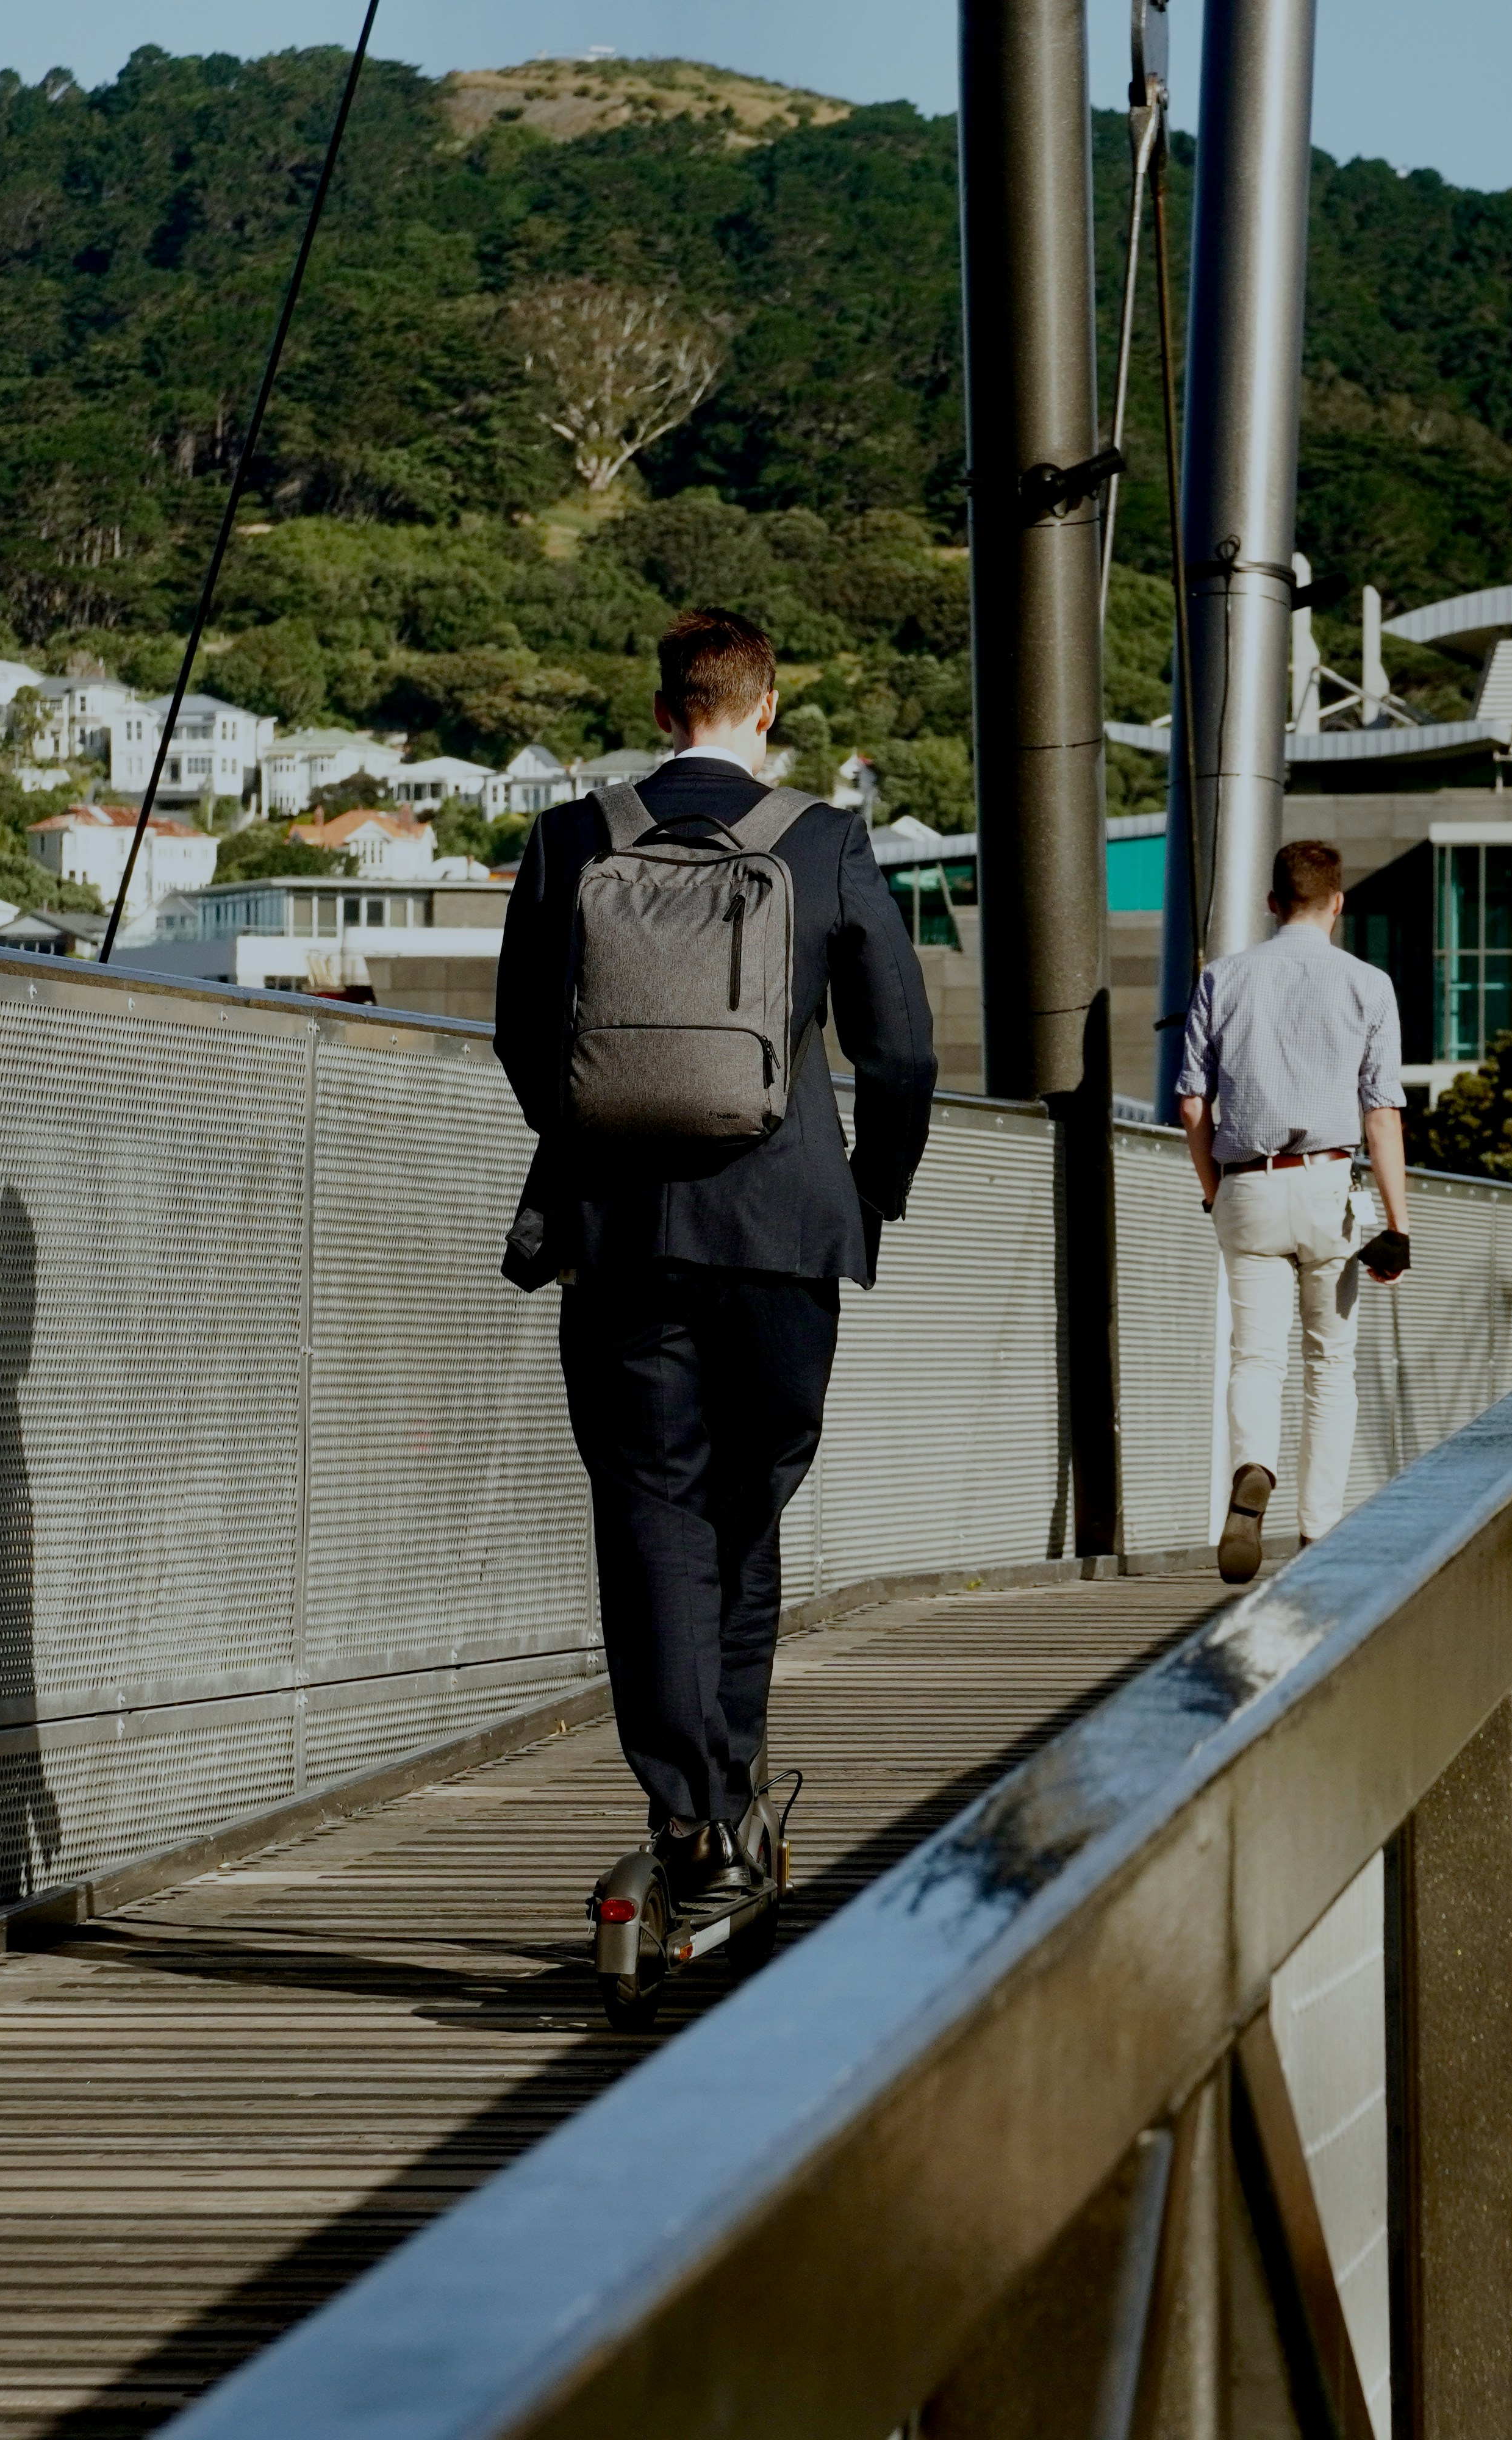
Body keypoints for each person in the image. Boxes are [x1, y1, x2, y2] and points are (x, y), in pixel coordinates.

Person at [495, 606, 937, 1904]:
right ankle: (727, 1789)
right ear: (768, 705)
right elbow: (901, 1052)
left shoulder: (572, 837)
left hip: (618, 1234)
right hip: (784, 1231)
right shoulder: (825, 841)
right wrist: (869, 1193)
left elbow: (529, 1038)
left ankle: (692, 1806)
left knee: (650, 1511)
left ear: (660, 710)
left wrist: (602, 1135)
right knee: (746, 1506)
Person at [1175, 838, 1411, 1583]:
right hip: (1326, 1188)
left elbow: (1190, 1106)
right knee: (1329, 1367)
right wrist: (1399, 1229)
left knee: (1255, 1355)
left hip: (1245, 1184)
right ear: (1338, 902)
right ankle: (1319, 1535)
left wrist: (1217, 1191)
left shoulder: (1225, 978)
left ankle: (1253, 1469)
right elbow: (1382, 1117)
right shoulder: (1369, 985)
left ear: (1273, 902)